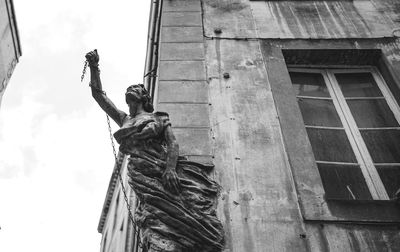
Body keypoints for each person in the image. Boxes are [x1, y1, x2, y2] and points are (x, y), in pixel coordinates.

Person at [85, 50, 224, 252]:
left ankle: (194, 235)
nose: (130, 89)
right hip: (140, 174)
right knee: (153, 213)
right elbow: (99, 96)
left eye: (135, 88)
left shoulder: (157, 117)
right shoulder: (125, 119)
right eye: (129, 88)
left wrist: (170, 169)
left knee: (181, 206)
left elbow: (173, 143)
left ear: (143, 96)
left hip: (159, 169)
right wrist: (94, 67)